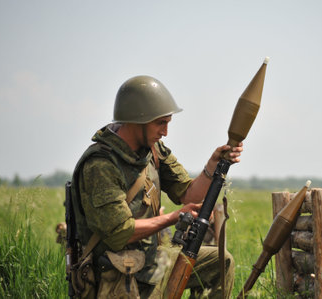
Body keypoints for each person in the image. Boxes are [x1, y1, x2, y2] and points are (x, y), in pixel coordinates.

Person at [70, 75, 243, 298]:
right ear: (136, 120)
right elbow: (120, 233)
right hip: (116, 273)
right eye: (161, 123)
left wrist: (214, 164)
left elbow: (189, 193)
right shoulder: (101, 165)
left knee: (222, 262)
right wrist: (172, 218)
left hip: (154, 259)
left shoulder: (154, 150)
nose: (166, 131)